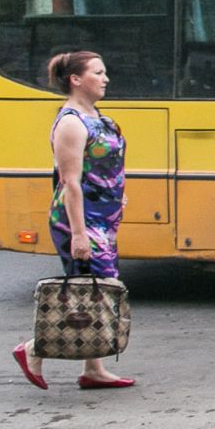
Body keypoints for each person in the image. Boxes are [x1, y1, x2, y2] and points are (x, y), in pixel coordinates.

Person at [11, 51, 136, 391]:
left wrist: (115, 194)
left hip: (102, 219)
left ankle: (92, 369)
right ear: (76, 80)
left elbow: (105, 168)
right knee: (97, 291)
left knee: (91, 292)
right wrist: (79, 234)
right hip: (79, 223)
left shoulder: (96, 117)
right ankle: (32, 349)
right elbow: (70, 183)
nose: (106, 78)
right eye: (98, 72)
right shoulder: (71, 122)